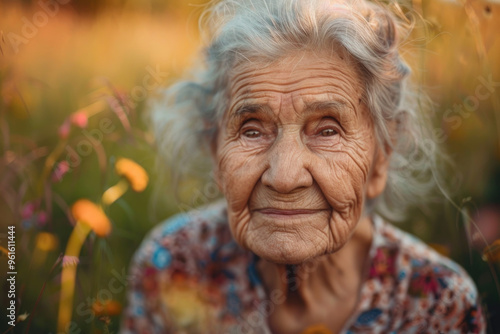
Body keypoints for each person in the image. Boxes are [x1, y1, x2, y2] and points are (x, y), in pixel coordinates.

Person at [121, 0, 486, 332]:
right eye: (251, 130)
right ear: (216, 151)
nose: (284, 177)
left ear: (380, 158)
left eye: (327, 130)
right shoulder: (174, 262)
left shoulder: (436, 304)